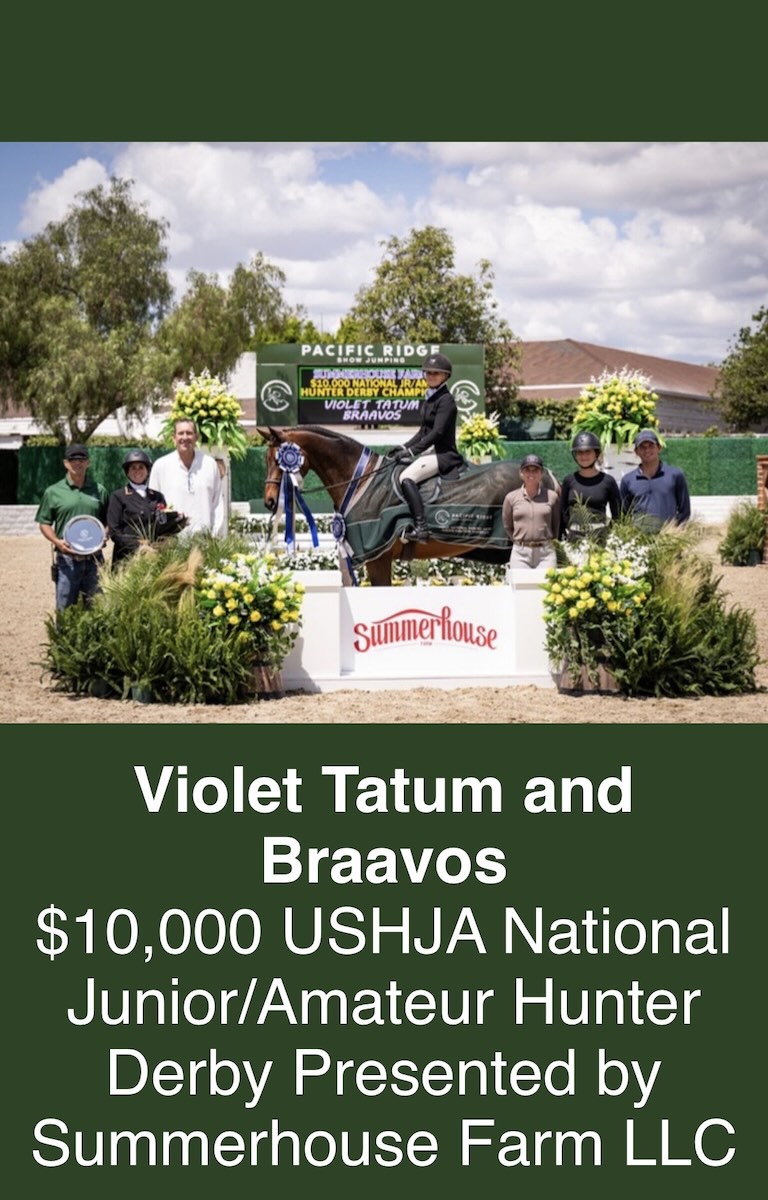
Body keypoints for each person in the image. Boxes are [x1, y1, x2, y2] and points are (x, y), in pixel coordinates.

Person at [388, 352, 463, 543]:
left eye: (436, 373)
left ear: (445, 376)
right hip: (431, 451)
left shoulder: (446, 400)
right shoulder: (431, 398)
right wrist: (402, 447)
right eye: (428, 373)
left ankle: (422, 528)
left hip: (443, 454)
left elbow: (437, 433)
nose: (431, 376)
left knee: (406, 477)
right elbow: (423, 431)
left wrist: (413, 452)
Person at [35, 443, 109, 611]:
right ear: (65, 463)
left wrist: (105, 534)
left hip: (95, 560)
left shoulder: (100, 490)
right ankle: (63, 638)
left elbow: (107, 521)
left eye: (82, 459)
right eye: (73, 459)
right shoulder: (53, 492)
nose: (77, 463)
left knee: (96, 608)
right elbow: (44, 523)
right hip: (67, 560)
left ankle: (94, 639)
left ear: (88, 463)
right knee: (65, 610)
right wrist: (57, 541)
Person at [107, 449, 187, 565]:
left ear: (147, 471)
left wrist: (170, 534)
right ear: (127, 472)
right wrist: (139, 547)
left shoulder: (157, 496)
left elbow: (164, 524)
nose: (137, 471)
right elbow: (114, 531)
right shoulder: (118, 496)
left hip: (154, 556)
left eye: (141, 467)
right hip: (127, 558)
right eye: (133, 468)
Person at [148, 418, 224, 537]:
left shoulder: (209, 465)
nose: (185, 437)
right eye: (181, 433)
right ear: (174, 437)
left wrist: (214, 536)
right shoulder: (161, 466)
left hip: (204, 541)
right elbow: (153, 505)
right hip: (171, 542)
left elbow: (217, 504)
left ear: (196, 437)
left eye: (189, 433)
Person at [620, 429, 691, 531]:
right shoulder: (628, 480)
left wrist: (675, 532)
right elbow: (624, 515)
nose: (647, 450)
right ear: (636, 451)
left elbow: (685, 511)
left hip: (668, 538)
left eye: (651, 446)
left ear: (659, 448)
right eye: (642, 447)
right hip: (639, 541)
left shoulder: (675, 475)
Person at [560, 430, 620, 543]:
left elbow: (617, 514)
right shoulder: (568, 481)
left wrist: (609, 535)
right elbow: (563, 511)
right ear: (575, 455)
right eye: (580, 452)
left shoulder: (608, 481)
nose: (584, 456)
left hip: (600, 539)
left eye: (588, 452)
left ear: (596, 453)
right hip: (574, 540)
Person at [502, 453, 560, 569]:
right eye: (527, 470)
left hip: (546, 553)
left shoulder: (552, 496)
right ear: (521, 473)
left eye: (535, 470)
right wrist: (519, 540)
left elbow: (556, 523)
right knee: (521, 586)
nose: (531, 474)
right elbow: (507, 525)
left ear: (541, 474)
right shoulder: (511, 498)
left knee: (546, 587)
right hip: (520, 554)